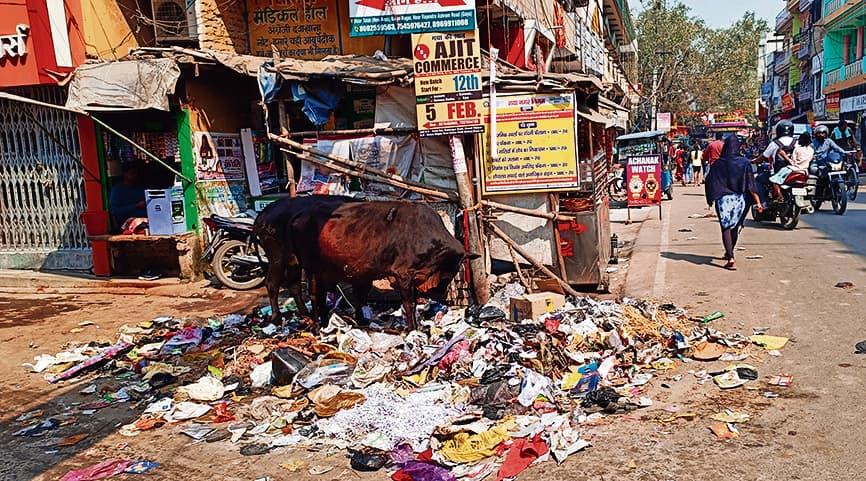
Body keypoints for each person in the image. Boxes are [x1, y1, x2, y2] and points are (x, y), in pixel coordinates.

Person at [705, 135, 763, 271]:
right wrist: (758, 203)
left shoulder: (718, 164)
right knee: (735, 228)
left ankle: (730, 257)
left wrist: (711, 198)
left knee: (725, 227)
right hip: (740, 200)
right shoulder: (745, 163)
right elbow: (751, 184)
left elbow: (709, 181)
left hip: (723, 200)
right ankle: (730, 252)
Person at [757, 120, 795, 206]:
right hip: (794, 170)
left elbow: (764, 157)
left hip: (777, 172)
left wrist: (753, 161)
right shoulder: (797, 142)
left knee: (758, 180)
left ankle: (763, 203)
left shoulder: (774, 143)